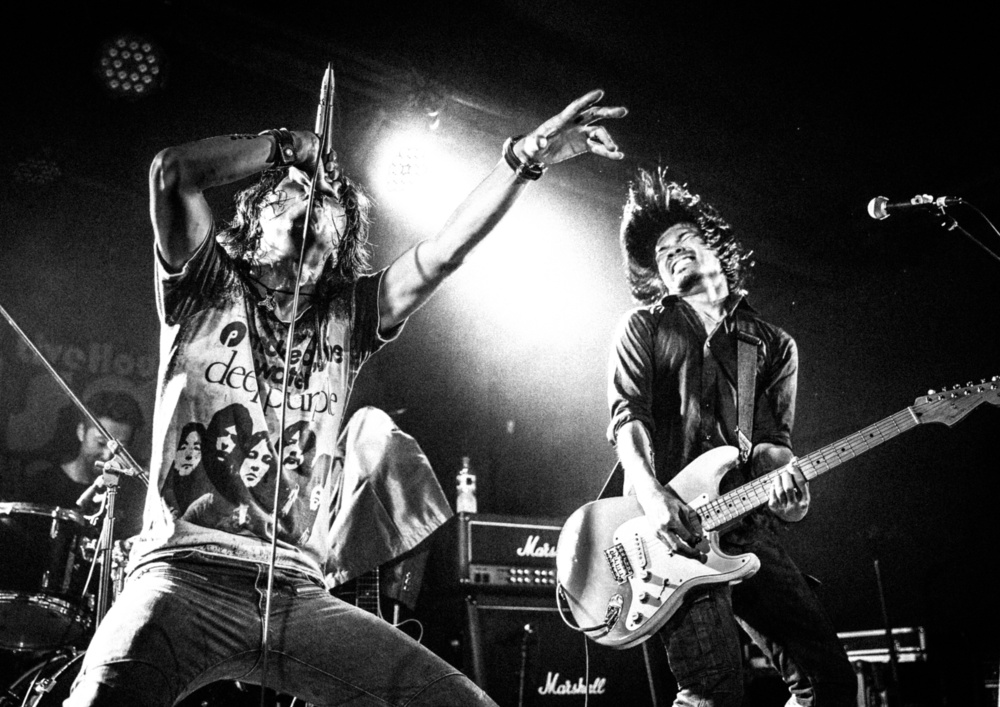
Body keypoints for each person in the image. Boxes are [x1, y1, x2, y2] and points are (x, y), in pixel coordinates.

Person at [65, 88, 626, 707]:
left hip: (298, 594)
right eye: (298, 189)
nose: (317, 195)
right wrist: (286, 147)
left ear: (340, 236)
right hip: (183, 576)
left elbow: (443, 253)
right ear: (260, 213)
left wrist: (524, 158)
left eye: (330, 196)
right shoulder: (205, 283)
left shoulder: (350, 315)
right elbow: (172, 172)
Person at [607, 168, 857, 706]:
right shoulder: (643, 327)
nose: (672, 252)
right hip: (669, 530)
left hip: (742, 524)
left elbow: (771, 447)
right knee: (714, 690)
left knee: (831, 682)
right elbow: (628, 418)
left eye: (683, 239)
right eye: (661, 253)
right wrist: (653, 496)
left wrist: (790, 494)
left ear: (716, 245)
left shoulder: (773, 344)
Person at [10, 390, 144, 520]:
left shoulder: (132, 497)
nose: (107, 455)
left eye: (120, 449)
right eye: (101, 443)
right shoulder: (40, 486)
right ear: (81, 432)